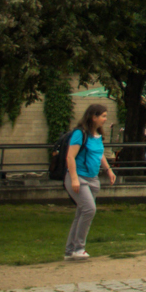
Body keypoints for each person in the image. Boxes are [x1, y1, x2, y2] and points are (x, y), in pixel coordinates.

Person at [62, 104, 117, 262]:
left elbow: (99, 154)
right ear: (94, 117)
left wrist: (108, 170)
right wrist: (73, 178)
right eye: (103, 116)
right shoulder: (80, 134)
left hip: (93, 179)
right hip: (79, 177)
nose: (105, 119)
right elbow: (70, 156)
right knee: (89, 210)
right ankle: (79, 248)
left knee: (81, 213)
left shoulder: (98, 134)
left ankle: (70, 250)